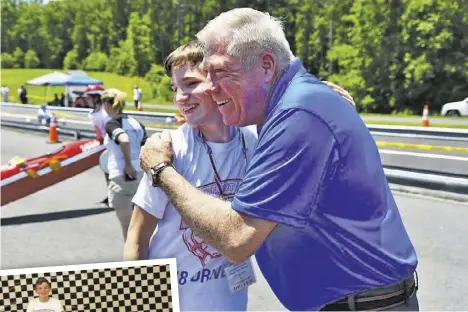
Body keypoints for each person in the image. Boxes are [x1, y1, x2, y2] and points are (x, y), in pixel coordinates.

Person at [139, 8, 419, 312]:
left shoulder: (297, 115)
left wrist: (160, 169)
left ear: (267, 66)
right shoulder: (291, 106)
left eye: (220, 73)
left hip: (361, 304)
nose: (212, 86)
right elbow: (138, 239)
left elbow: (236, 238)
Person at [127, 41, 356, 311]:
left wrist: (322, 102)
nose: (180, 97)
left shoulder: (256, 142)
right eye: (175, 88)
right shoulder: (168, 152)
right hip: (172, 302)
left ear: (219, 81)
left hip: (231, 302)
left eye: (190, 84)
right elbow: (137, 239)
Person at [102, 88, 147, 241]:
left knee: (128, 228)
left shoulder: (112, 124)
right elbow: (145, 147)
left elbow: (124, 139)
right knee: (141, 226)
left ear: (108, 105)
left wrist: (128, 164)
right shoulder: (137, 123)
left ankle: (134, 261)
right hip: (140, 177)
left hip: (121, 177)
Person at [85, 84, 111, 205]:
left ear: (96, 98)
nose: (87, 100)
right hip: (105, 145)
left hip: (113, 144)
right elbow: (98, 133)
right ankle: (112, 194)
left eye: (89, 98)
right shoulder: (92, 114)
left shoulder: (106, 112)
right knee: (107, 170)